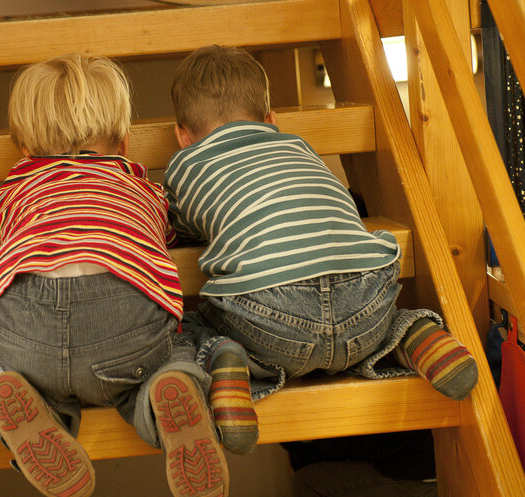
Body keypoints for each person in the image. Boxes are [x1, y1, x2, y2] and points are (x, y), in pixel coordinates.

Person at [165, 45, 480, 456]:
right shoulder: (298, 146)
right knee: (383, 319)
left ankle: (228, 362)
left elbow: (180, 230)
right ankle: (412, 334)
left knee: (191, 323)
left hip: (272, 319)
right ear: (271, 120)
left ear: (181, 137)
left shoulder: (187, 166)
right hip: (365, 302)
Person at [0, 53, 228, 497]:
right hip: (125, 323)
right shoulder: (139, 185)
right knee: (174, 345)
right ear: (125, 143)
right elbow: (164, 237)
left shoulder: (14, 189)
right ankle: (168, 389)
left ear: (24, 150)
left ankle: (26, 403)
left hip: (31, 334)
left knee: (6, 351)